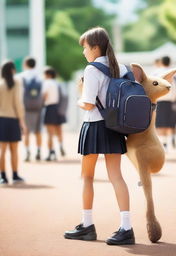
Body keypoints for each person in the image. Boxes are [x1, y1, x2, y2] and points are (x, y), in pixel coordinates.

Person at [64, 27, 135, 245]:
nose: (84, 52)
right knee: (116, 176)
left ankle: (87, 225)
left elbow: (87, 103)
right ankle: (127, 228)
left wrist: (78, 97)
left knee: (87, 177)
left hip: (94, 126)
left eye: (85, 47)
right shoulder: (122, 68)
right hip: (115, 127)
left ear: (95, 47)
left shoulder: (91, 70)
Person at [0, 61, 26, 185]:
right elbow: (18, 104)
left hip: (1, 120)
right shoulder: (17, 83)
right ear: (12, 70)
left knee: (2, 150)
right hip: (13, 119)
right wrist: (22, 122)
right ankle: (15, 176)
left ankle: (3, 177)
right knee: (14, 150)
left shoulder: (0, 84)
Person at [19, 57, 43, 161]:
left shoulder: (21, 76)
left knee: (26, 131)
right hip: (38, 107)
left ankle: (27, 152)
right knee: (38, 131)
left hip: (26, 107)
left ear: (25, 64)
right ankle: (38, 151)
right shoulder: (40, 76)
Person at [154, 56, 176, 151]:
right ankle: (168, 140)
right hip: (170, 102)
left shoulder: (156, 73)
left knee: (160, 124)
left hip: (159, 101)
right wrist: (174, 99)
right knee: (169, 123)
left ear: (161, 62)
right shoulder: (173, 73)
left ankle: (163, 143)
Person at [42, 67, 66, 161]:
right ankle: (60, 146)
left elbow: (45, 96)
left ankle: (51, 152)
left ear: (47, 74)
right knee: (59, 130)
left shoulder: (47, 83)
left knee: (50, 133)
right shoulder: (58, 83)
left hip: (50, 108)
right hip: (58, 108)